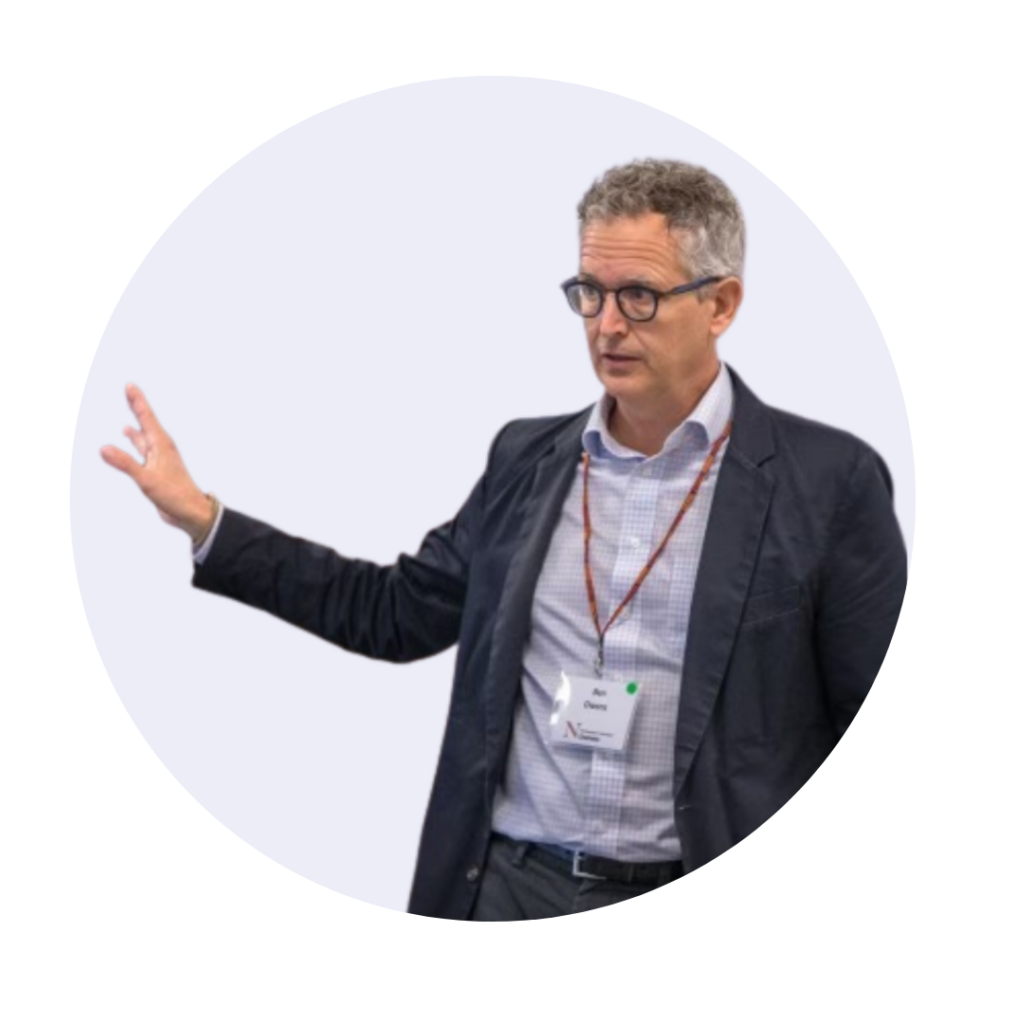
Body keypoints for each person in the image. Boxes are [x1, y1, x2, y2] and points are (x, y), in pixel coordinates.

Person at [101, 158, 908, 921]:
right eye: (589, 293)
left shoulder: (827, 481)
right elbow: (394, 612)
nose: (607, 326)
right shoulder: (526, 459)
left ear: (721, 304)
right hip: (506, 892)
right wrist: (203, 519)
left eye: (639, 296)